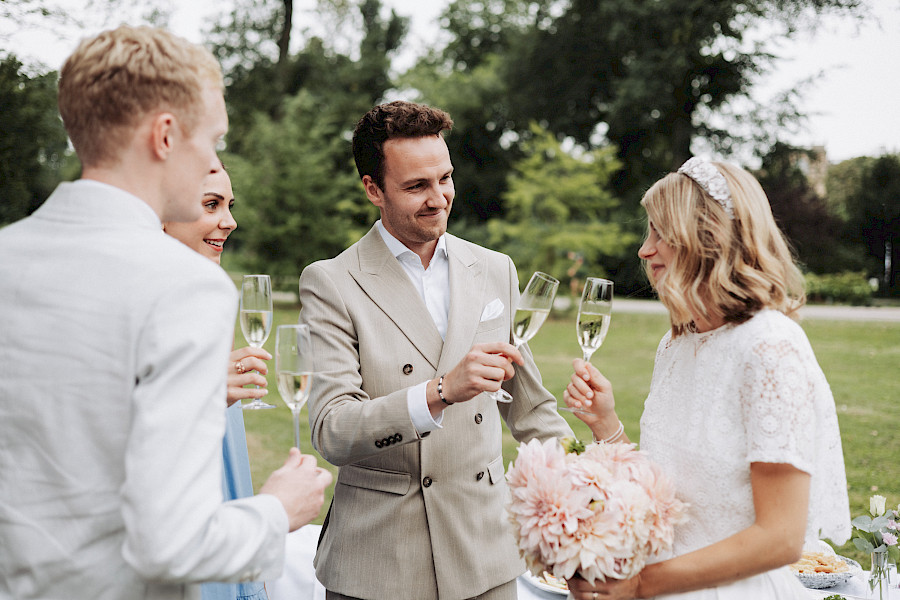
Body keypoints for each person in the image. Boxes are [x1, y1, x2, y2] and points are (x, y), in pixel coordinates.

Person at [0, 25, 332, 600]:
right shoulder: (184, 287)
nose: (212, 159)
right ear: (166, 135)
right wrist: (278, 510)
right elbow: (170, 541)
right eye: (212, 139)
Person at [297, 100, 574, 600]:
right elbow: (332, 430)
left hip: (484, 556)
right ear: (372, 189)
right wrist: (441, 391)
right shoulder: (332, 282)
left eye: (444, 178)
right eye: (416, 186)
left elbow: (532, 408)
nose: (439, 198)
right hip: (379, 564)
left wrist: (591, 486)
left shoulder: (495, 270)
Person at [562, 158, 850, 600]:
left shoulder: (769, 347)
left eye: (660, 233)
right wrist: (606, 424)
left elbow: (780, 538)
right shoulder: (677, 343)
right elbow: (670, 497)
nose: (645, 250)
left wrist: (640, 585)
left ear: (707, 240)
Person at [163, 163, 271, 600]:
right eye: (211, 205)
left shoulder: (212, 294)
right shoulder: (131, 305)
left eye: (229, 205)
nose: (230, 221)